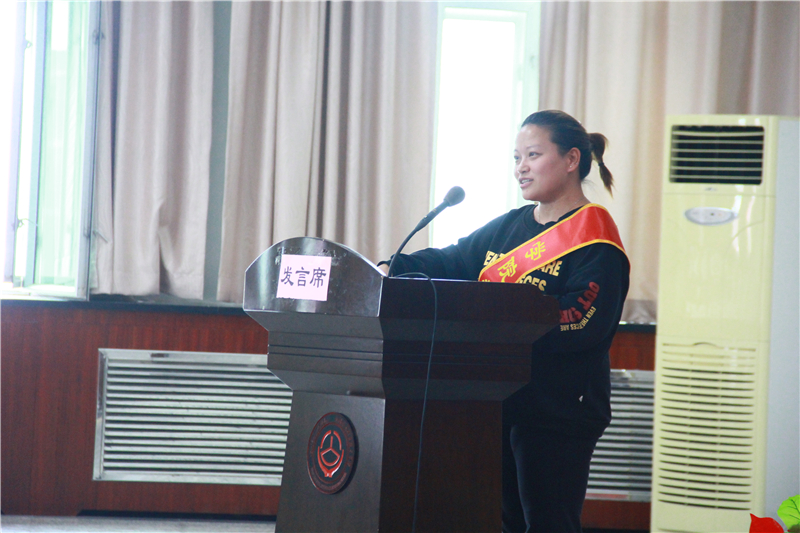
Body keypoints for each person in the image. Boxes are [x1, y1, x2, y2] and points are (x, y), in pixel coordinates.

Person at [381, 110, 630, 532]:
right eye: (517, 158)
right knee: (507, 521)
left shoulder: (595, 237)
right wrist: (393, 266)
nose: (521, 168)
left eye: (533, 155)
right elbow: (454, 260)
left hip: (558, 410)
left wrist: (498, 324)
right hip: (497, 399)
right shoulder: (512, 225)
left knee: (549, 523)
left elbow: (581, 321)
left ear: (571, 160)